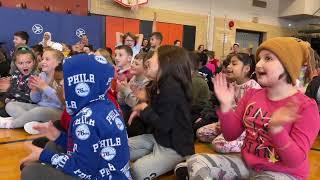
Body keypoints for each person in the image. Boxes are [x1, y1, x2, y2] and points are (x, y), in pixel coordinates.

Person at [175, 37, 320, 180]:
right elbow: (230, 135)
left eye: (268, 58)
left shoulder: (306, 107)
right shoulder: (252, 95)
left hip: (282, 173)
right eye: (260, 58)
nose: (258, 65)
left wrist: (277, 131)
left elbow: (294, 161)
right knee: (194, 162)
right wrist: (226, 106)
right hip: (246, 164)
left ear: (289, 65)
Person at [20, 54, 131, 180]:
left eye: (66, 79)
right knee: (53, 145)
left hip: (96, 174)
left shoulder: (86, 118)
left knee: (31, 172)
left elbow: (85, 170)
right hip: (108, 171)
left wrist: (44, 155)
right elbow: (89, 147)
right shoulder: (102, 104)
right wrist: (58, 136)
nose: (61, 83)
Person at [128, 46, 194, 179]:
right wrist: (144, 104)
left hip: (175, 147)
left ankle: (182, 161)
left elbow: (164, 124)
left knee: (137, 171)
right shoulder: (160, 84)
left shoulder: (172, 88)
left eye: (153, 56)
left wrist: (143, 109)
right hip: (159, 138)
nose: (149, 60)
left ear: (166, 61)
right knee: (120, 148)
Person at [197, 53, 261, 153]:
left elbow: (252, 120)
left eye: (234, 64)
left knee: (219, 144)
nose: (229, 66)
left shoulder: (254, 89)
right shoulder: (232, 85)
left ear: (246, 69)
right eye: (229, 63)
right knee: (201, 133)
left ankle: (249, 144)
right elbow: (227, 109)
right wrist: (222, 123)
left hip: (246, 129)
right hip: (230, 125)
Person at [0, 48, 64, 129]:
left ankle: (10, 124)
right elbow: (35, 100)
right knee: (10, 105)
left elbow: (62, 101)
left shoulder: (62, 78)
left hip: (56, 111)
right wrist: (34, 90)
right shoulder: (41, 76)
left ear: (58, 62)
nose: (43, 62)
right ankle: (35, 125)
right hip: (39, 107)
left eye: (47, 59)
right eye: (42, 59)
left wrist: (45, 87)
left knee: (38, 112)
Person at [117, 52, 150, 137]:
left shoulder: (147, 83)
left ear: (145, 68)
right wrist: (122, 90)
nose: (132, 65)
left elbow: (136, 105)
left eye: (136, 64)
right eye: (132, 62)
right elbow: (121, 102)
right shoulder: (133, 78)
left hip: (140, 122)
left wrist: (126, 90)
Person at [0, 47, 37, 117]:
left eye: (28, 62)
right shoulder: (15, 74)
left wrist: (10, 91)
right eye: (20, 63)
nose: (25, 65)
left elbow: (31, 98)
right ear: (16, 64)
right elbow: (11, 91)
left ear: (34, 62)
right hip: (11, 103)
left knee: (2, 112)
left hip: (25, 106)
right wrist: (7, 98)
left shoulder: (34, 77)